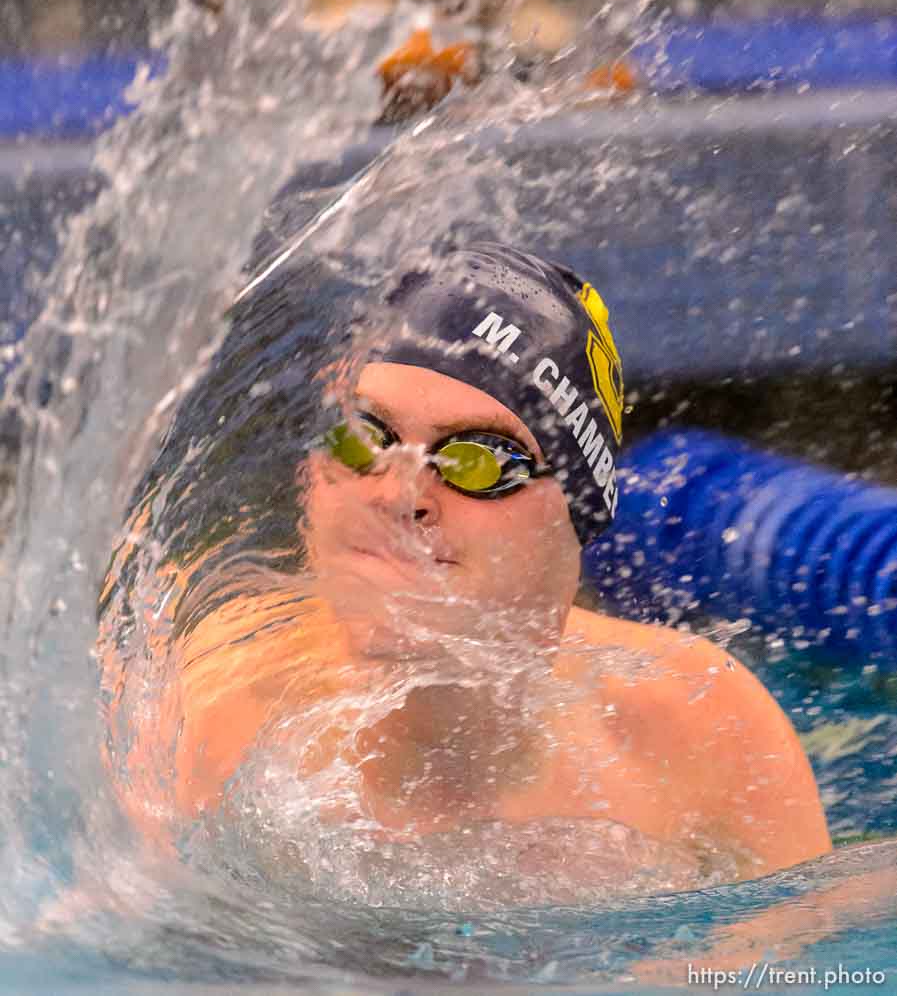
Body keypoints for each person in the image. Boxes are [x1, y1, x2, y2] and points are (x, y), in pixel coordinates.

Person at [101, 243, 831, 895]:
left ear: (574, 516)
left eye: (479, 459)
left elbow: (791, 960)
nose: (400, 494)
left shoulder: (703, 729)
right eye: (364, 437)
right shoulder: (193, 718)